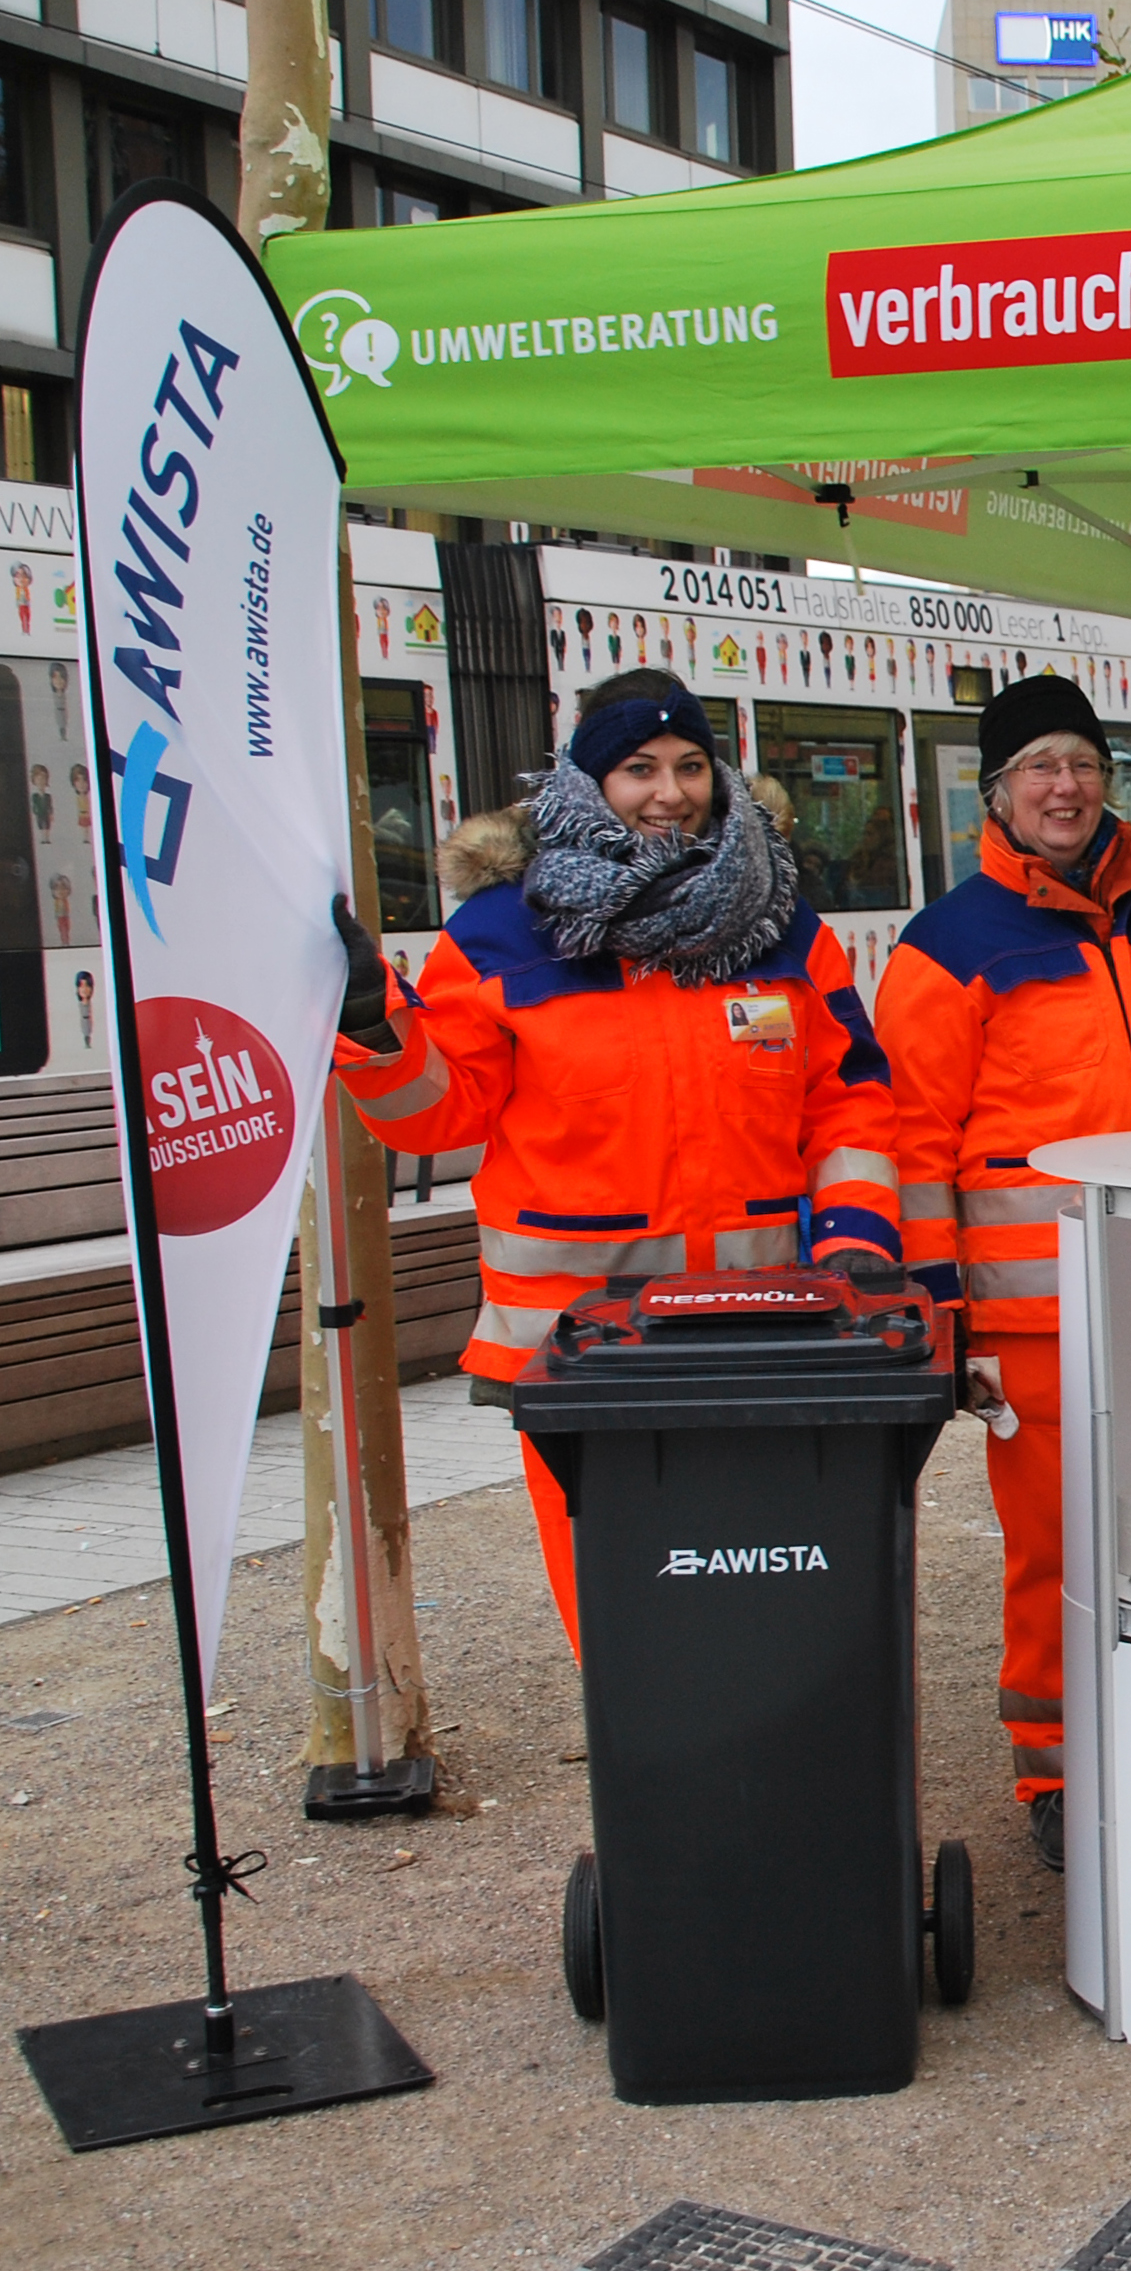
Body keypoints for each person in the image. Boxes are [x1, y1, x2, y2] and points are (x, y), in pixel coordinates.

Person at [331, 669, 902, 1655]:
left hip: (761, 1332)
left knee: (756, 1587)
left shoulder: (780, 929)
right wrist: (375, 1028)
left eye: (689, 767)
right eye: (638, 768)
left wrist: (856, 1236)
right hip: (576, 1348)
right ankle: (659, 1775)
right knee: (624, 1608)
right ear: (584, 782)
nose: (669, 793)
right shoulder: (505, 935)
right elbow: (439, 1115)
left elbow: (847, 1094)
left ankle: (749, 1772)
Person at [876, 672, 1131, 1872]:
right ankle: (1055, 1770)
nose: (1066, 785)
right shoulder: (948, 948)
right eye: (1040, 765)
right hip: (1030, 1321)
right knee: (1055, 1548)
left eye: (1084, 763)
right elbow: (909, 1145)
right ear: (995, 793)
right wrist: (940, 1316)